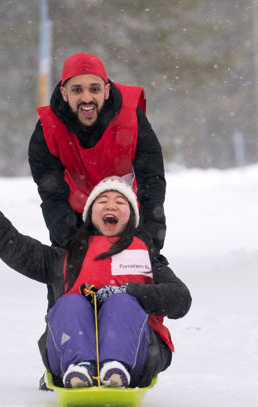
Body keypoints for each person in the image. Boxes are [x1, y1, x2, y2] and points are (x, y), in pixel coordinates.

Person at [0, 155, 190, 389]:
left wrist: (132, 293)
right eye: (102, 200)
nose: (111, 205)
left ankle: (116, 368)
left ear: (131, 216)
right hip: (68, 353)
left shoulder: (147, 259)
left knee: (122, 302)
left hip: (138, 354)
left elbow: (180, 300)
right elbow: (12, 244)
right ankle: (79, 367)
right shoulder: (65, 257)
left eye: (120, 201)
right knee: (71, 303)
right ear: (90, 215)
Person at [28, 52, 167, 310]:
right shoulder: (47, 129)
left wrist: (151, 236)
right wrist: (71, 244)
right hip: (75, 216)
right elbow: (52, 195)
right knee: (68, 294)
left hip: (125, 217)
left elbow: (152, 179)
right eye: (77, 90)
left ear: (106, 90)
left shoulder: (131, 117)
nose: (86, 98)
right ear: (64, 92)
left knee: (133, 291)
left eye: (94, 89)